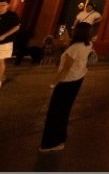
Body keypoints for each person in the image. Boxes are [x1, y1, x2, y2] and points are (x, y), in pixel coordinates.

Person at [40, 23, 93, 152]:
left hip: (66, 82)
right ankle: (60, 139)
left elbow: (65, 69)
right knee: (64, 111)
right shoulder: (89, 44)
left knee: (55, 112)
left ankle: (51, 142)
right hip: (78, 79)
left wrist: (54, 83)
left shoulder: (74, 49)